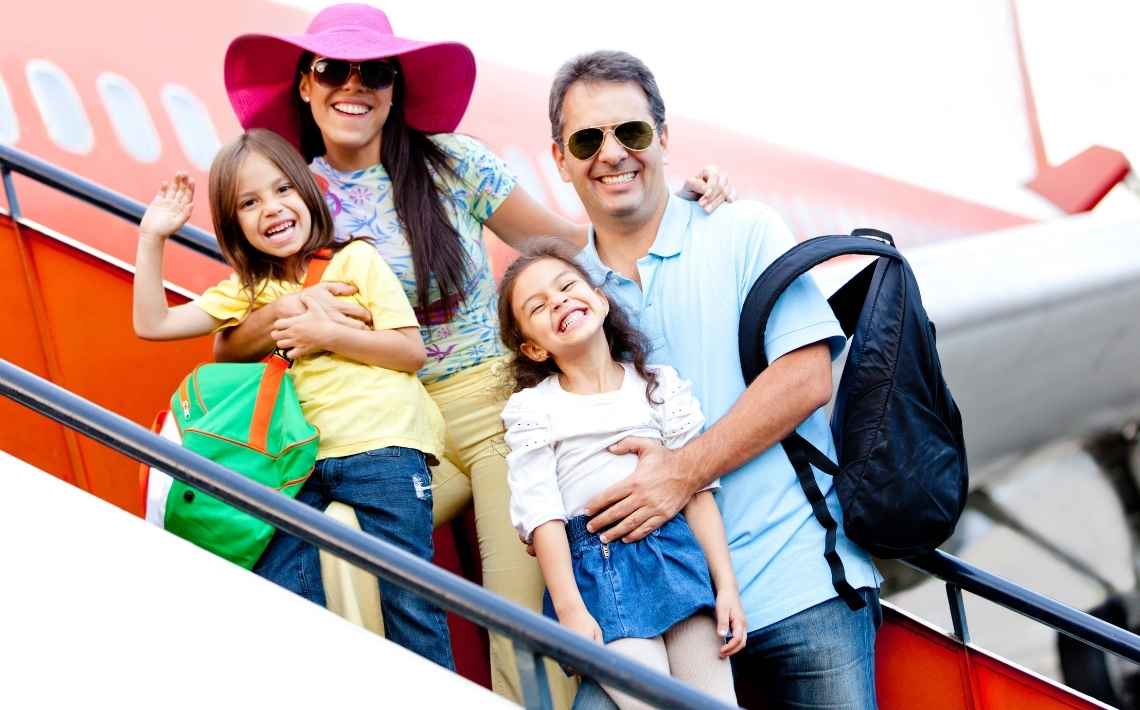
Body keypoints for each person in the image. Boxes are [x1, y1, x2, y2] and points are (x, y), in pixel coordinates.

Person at [218, 5, 733, 704]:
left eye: (373, 71)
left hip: (492, 410)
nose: (353, 85)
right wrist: (283, 312)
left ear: (395, 87)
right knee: (343, 551)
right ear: (304, 86)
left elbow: (568, 243)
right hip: (389, 431)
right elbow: (233, 334)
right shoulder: (292, 195)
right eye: (332, 69)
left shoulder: (453, 164)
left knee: (519, 615)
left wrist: (679, 207)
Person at [545, 51, 883, 709]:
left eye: (631, 133)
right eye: (588, 140)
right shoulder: (571, 291)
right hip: (661, 622)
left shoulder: (742, 229)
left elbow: (807, 377)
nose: (612, 153)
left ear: (664, 139)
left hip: (797, 586)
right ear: (560, 159)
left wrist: (680, 472)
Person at [131, 128, 453, 670]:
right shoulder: (246, 292)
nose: (272, 209)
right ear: (235, 225)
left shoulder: (355, 262)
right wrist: (152, 238)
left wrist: (324, 336)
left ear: (307, 192)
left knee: (410, 600)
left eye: (283, 190)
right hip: (300, 461)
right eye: (249, 203)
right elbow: (152, 323)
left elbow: (408, 351)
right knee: (282, 582)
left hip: (383, 448)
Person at [497, 239, 744, 710]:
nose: (560, 301)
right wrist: (570, 609)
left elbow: (697, 492)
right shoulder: (535, 409)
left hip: (675, 556)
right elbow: (542, 518)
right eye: (539, 306)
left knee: (716, 703)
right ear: (533, 347)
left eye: (567, 286)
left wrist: (726, 586)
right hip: (598, 571)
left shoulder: (657, 386)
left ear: (600, 298)